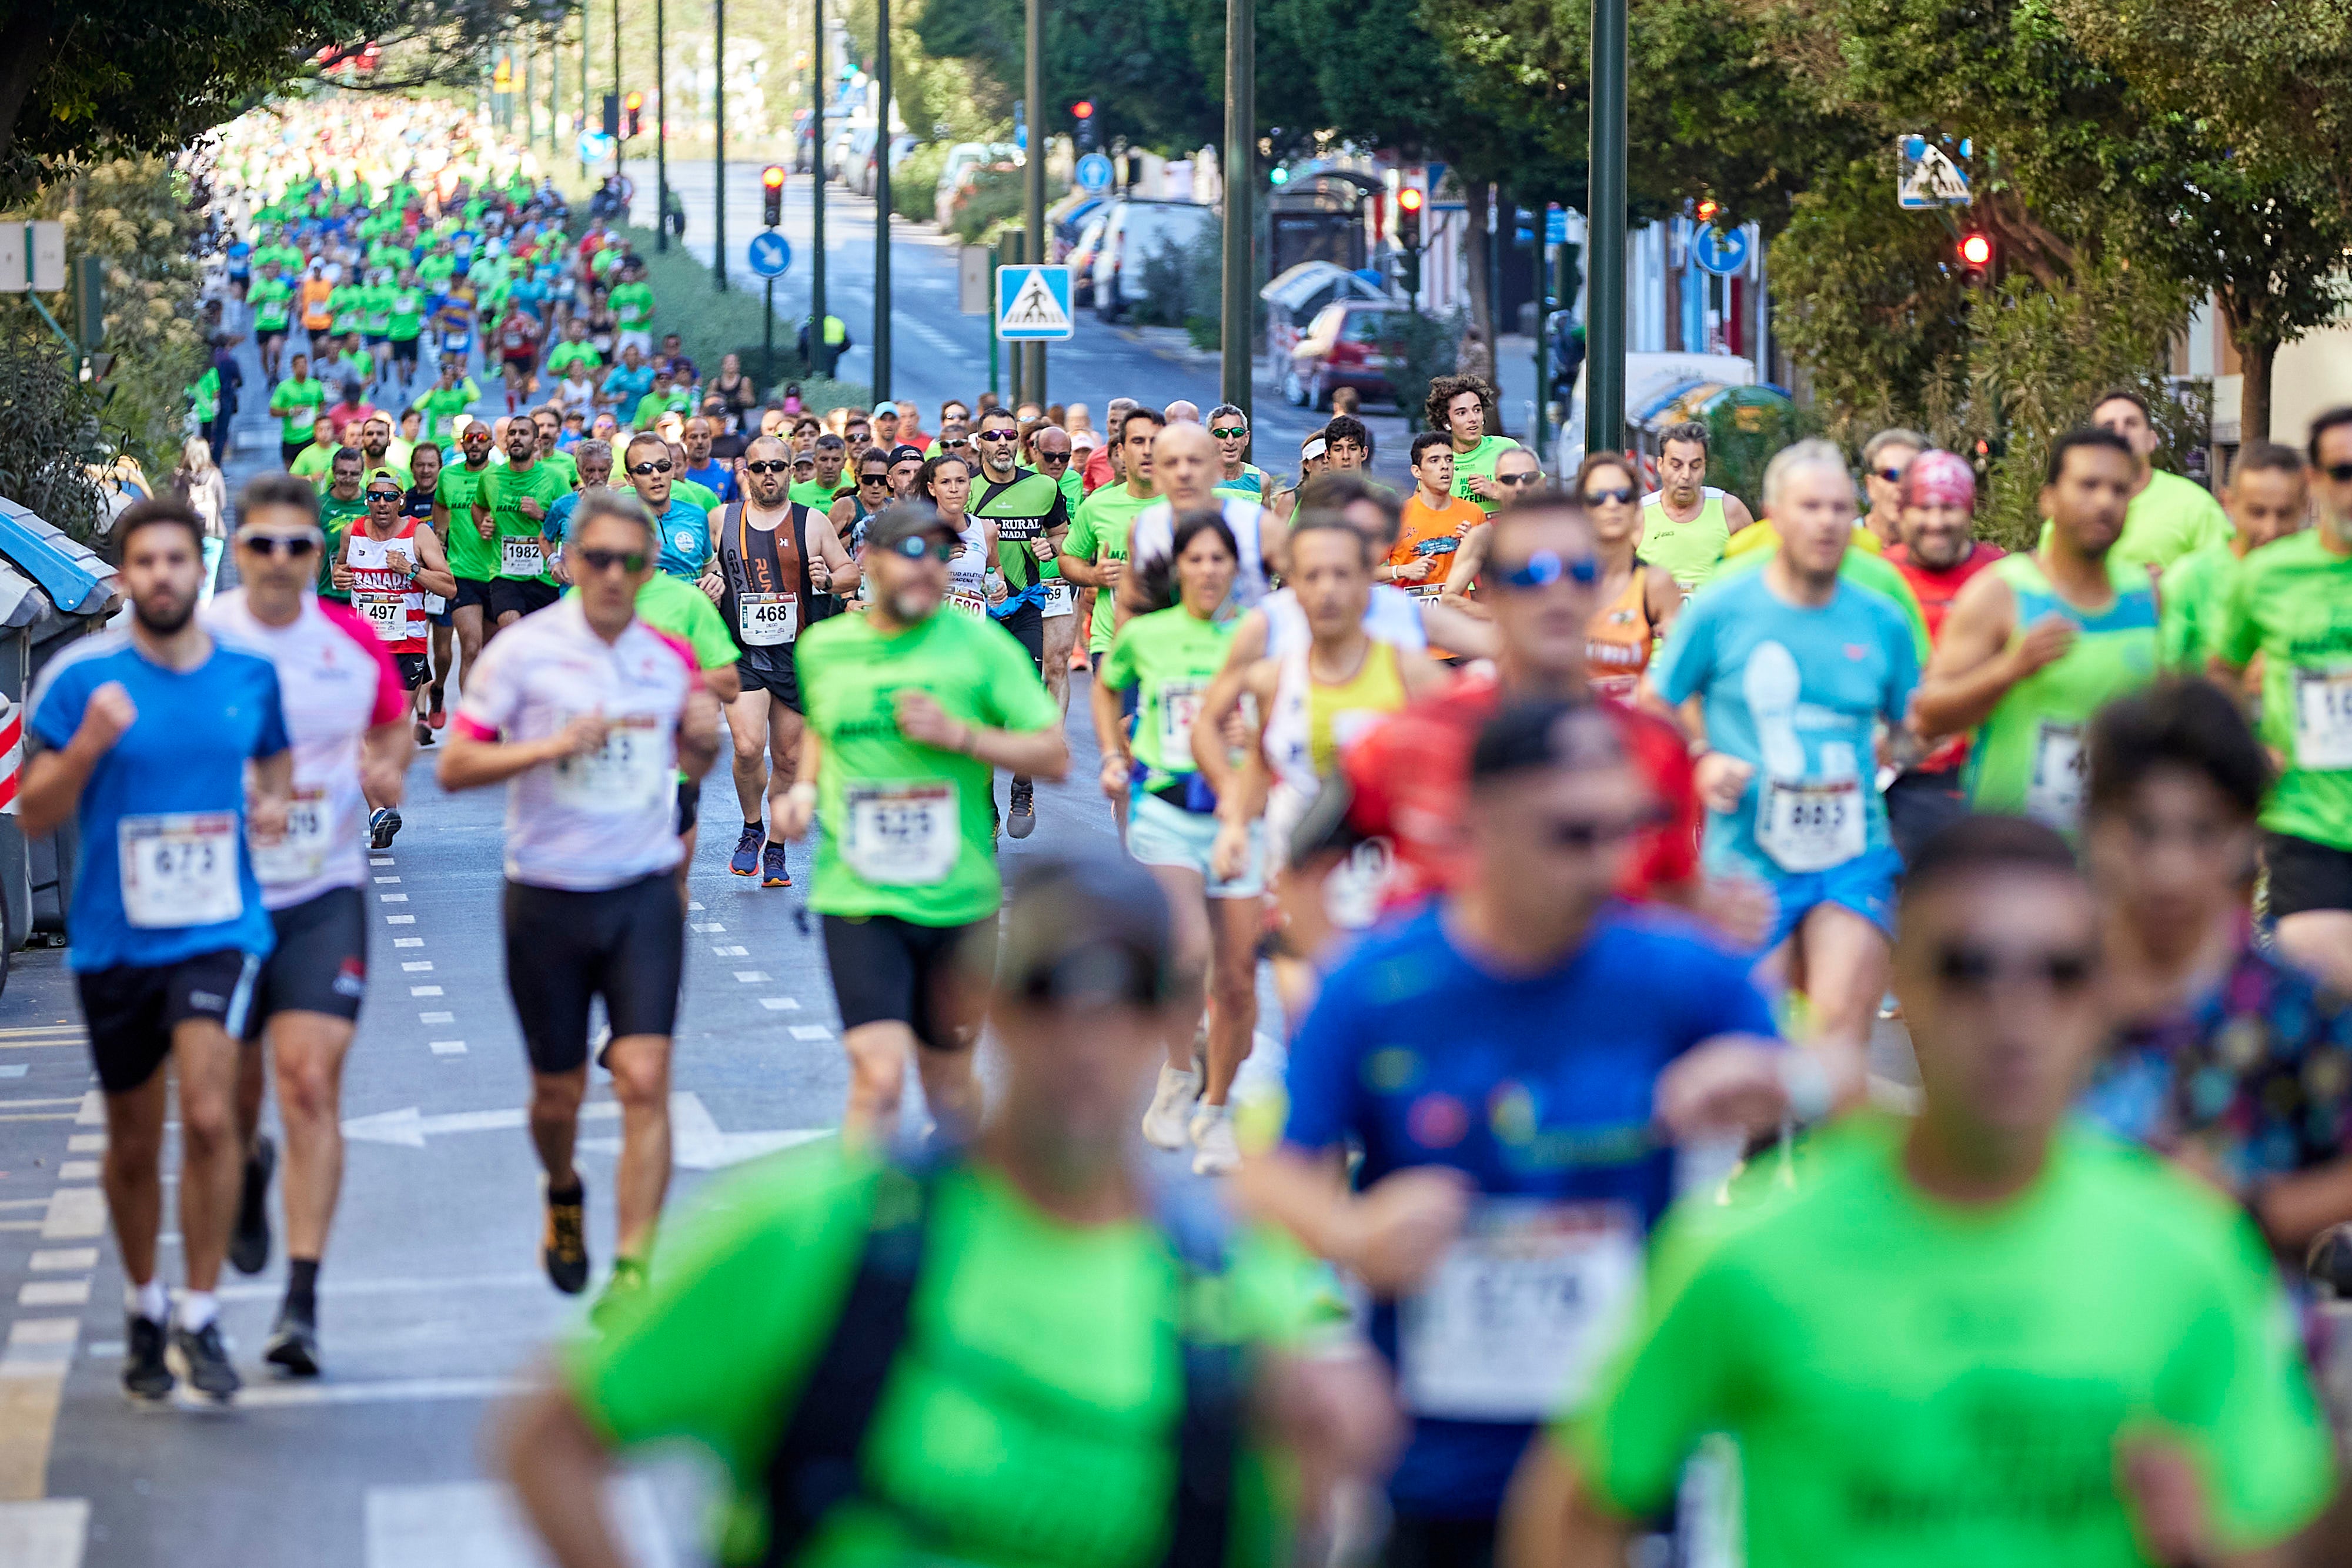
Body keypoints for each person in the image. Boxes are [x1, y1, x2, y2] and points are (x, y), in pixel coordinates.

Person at [502, 854, 1398, 1568]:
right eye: (1049, 992)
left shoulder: (1239, 1300)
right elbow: (550, 1438)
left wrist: (1316, 1480)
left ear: (1167, 1018)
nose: (1085, 1041)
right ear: (979, 1006)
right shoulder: (818, 1233)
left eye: (1125, 998)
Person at [1509, 814, 2339, 1568]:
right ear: (1903, 981)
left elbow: (2278, 1530)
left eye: (2058, 971)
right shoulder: (1748, 1248)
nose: (2014, 1011)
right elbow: (1580, 1505)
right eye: (1969, 965)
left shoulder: (2187, 1251)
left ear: (2099, 997)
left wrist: (2204, 1548)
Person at [1245, 697, 1811, 1562]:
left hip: (1615, 1458)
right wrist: (1350, 1231)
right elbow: (1265, 1177)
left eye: (1623, 831)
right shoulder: (1379, 982)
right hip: (1434, 1460)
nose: (1606, 864)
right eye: (1572, 834)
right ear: (1481, 826)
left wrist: (1777, 1078)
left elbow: (1838, 1085)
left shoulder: (1676, 970)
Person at [19, 498, 295, 1405]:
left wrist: (271, 804)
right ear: (126, 575)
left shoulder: (247, 674)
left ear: (195, 568)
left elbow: (275, 762)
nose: (165, 576)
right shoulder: (77, 680)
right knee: (134, 1142)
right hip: (114, 938)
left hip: (220, 928)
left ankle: (202, 1312)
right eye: (147, 563)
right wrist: (91, 743)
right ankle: (145, 1303)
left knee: (212, 1118)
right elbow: (36, 811)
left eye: (179, 560)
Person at [437, 492, 721, 1318]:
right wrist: (554, 743)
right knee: (557, 1093)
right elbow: (455, 767)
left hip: (642, 888)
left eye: (629, 561)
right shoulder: (522, 654)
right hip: (548, 893)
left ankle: (635, 1270)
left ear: (647, 568)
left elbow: (689, 767)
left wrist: (701, 742)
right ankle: (563, 1188)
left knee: (643, 1073)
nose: (611, 575)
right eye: (594, 557)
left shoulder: (668, 657)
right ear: (565, 561)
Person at [206, 476, 416, 1376]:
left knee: (309, 1084)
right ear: (240, 549)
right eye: (264, 544)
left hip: (322, 888)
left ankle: (301, 1300)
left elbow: (394, 721)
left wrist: (386, 767)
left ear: (318, 554)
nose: (282, 562)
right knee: (234, 1097)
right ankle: (248, 1168)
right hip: (219, 894)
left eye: (300, 547)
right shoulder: (202, 636)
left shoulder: (350, 638)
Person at [777, 503, 1070, 1141]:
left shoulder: (980, 646)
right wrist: (802, 790)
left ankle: (956, 1226)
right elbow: (826, 729)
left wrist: (960, 735)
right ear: (871, 563)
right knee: (878, 1080)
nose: (928, 568)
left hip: (957, 899)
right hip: (858, 893)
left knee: (948, 1090)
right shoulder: (825, 648)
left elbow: (1053, 755)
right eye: (912, 552)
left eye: (941, 554)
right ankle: (861, 1236)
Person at [1648, 439, 1921, 1048]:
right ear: (1774, 512)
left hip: (1851, 851)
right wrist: (1701, 756)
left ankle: (1827, 1134)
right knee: (1758, 1042)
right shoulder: (1723, 607)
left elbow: (1913, 725)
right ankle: (1766, 1142)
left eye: (1836, 508)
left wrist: (1893, 752)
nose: (1825, 522)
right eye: (1808, 507)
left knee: (1836, 1037)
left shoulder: (1881, 618)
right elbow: (1658, 701)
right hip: (1749, 855)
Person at [2079, 678, 2352, 1260]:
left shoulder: (2291, 1008)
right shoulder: (2046, 990)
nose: (2169, 869)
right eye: (2142, 830)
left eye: (2202, 833)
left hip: (2243, 1337)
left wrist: (2253, 1212)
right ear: (2097, 827)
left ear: (2244, 837)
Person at [1093, 509, 1261, 1175]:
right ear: (1179, 568)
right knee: (1186, 953)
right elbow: (1108, 690)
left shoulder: (1256, 636)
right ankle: (1175, 1070)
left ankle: (1216, 1109)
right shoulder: (1150, 636)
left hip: (1238, 811)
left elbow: (1278, 714)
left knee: (1239, 980)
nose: (1209, 570)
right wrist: (1112, 753)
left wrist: (1255, 738)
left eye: (1221, 559)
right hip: (1164, 809)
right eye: (1196, 559)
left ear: (1235, 569)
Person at [1915, 426, 2157, 835]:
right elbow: (1928, 715)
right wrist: (2010, 669)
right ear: (2049, 499)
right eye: (2088, 485)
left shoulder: (2145, 595)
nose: (2104, 501)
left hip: (2118, 854)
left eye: (2119, 490)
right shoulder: (2002, 593)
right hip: (2016, 856)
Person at [2212, 408, 2352, 995]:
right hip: (2308, 821)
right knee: (2325, 991)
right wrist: (2244, 745)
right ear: (2315, 484)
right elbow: (2220, 670)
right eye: (2342, 471)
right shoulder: (2267, 575)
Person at [700, 433, 859, 889]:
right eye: (759, 467)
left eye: (778, 466)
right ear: (745, 473)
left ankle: (775, 847)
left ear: (792, 471)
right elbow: (705, 569)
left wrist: (828, 579)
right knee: (749, 748)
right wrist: (708, 583)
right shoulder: (722, 519)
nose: (769, 474)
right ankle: (751, 827)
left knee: (788, 759)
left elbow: (850, 572)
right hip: (743, 653)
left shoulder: (812, 522)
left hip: (798, 656)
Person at [1880, 449, 2007, 861]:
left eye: (1949, 507)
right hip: (1899, 779)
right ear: (1902, 514)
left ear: (1969, 511)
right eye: (1924, 508)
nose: (1936, 521)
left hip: (1985, 776)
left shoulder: (2004, 576)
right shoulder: (1877, 578)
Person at [970, 405, 1073, 838]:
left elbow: (1063, 535)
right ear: (979, 443)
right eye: (992, 436)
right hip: (977, 611)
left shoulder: (1044, 487)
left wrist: (1054, 549)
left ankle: (1023, 784)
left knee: (1026, 701)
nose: (1001, 444)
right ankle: (985, 809)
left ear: (1020, 441)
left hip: (1028, 605)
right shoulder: (964, 489)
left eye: (1008, 436)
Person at [336, 466, 457, 757]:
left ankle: (387, 798)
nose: (382, 503)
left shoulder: (419, 533)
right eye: (375, 496)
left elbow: (449, 587)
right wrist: (340, 577)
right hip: (365, 647)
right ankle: (380, 802)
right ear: (367, 499)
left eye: (390, 496)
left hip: (407, 646)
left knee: (392, 731)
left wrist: (411, 569)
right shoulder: (350, 533)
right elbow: (340, 569)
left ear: (401, 500)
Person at [2162, 439, 2310, 676]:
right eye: (2257, 512)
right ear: (2228, 503)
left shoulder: (2321, 573)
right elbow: (2162, 678)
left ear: (2304, 507)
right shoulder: (2191, 578)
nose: (2270, 529)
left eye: (2284, 514)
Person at [1058, 404, 1162, 678]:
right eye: (1138, 442)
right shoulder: (1098, 506)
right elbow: (1068, 560)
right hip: (1112, 641)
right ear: (1120, 451)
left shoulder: (1185, 506)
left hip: (1171, 642)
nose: (1147, 451)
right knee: (1121, 722)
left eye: (1155, 442)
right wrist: (1094, 575)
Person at [2089, 386, 2234, 571]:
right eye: (2109, 427)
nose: (2121, 433)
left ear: (2152, 440)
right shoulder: (2071, 512)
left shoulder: (2195, 505)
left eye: (2131, 424)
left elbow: (2226, 583)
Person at [472, 412, 569, 629]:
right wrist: (483, 526)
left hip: (545, 575)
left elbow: (570, 525)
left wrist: (543, 515)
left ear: (536, 442)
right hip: (505, 574)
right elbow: (478, 506)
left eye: (523, 433)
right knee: (511, 632)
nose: (516, 438)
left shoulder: (555, 478)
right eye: (512, 433)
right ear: (505, 441)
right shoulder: (490, 477)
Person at [1388, 432, 1492, 630]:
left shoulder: (1473, 513)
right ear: (1417, 471)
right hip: (1410, 638)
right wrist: (1401, 571)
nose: (1445, 466)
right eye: (1434, 460)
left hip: (1458, 637)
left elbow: (1493, 577)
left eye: (1449, 459)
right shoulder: (1397, 515)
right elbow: (1365, 572)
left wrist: (1475, 547)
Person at [1638, 420, 1753, 592]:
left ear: (1705, 467)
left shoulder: (1730, 510)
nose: (1686, 475)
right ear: (1660, 465)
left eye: (1695, 466)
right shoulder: (1638, 516)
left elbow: (1761, 573)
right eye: (1676, 466)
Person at [621, 430, 713, 580]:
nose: (656, 475)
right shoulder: (620, 525)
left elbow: (710, 563)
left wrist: (716, 577)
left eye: (663, 466)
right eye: (644, 469)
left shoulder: (697, 515)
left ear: (672, 470)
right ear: (630, 479)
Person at [1426, 373, 1521, 517]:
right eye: (1462, 413)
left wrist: (1497, 492)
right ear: (1446, 422)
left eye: (1477, 410)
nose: (1473, 419)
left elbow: (1540, 494)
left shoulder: (1506, 449)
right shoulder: (1436, 461)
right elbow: (1421, 514)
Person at [175, 436, 230, 604]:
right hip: (213, 532)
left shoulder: (180, 476)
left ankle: (192, 614)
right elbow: (222, 503)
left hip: (189, 535)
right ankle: (204, 616)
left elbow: (176, 506)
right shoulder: (215, 474)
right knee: (208, 580)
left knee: (189, 579)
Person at [1857, 426, 1927, 550]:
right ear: (1870, 486)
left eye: (1912, 475)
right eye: (1891, 475)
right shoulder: (1839, 545)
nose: (1901, 486)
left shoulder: (1939, 552)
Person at [271, 353, 328, 467]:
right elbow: (273, 411)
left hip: (311, 436)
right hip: (291, 438)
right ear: (293, 368)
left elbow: (322, 401)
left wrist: (319, 415)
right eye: (300, 365)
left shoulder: (315, 385)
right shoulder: (284, 388)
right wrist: (291, 411)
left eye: (305, 365)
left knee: (312, 470)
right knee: (291, 473)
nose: (303, 368)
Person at [1207, 402, 1268, 499]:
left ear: (1246, 438)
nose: (1230, 441)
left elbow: (1266, 514)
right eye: (1221, 433)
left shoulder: (1260, 481)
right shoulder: (1195, 478)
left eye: (1237, 432)